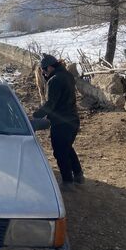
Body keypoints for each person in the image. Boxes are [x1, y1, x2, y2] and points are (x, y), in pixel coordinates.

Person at [33, 54, 84, 188]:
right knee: (67, 147)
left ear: (50, 67)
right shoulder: (68, 75)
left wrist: (36, 115)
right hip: (73, 119)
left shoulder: (54, 80)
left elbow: (50, 104)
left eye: (44, 70)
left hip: (61, 122)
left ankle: (68, 181)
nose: (43, 73)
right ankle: (78, 174)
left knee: (60, 152)